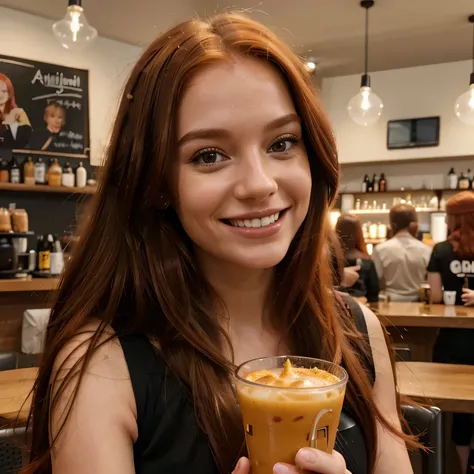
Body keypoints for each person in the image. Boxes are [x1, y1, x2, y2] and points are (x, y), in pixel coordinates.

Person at [24, 13, 416, 474]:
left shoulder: (356, 331)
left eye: (282, 142)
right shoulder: (104, 364)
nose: (259, 184)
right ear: (158, 183)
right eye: (209, 155)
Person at [427, 191, 474, 474]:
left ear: (455, 218)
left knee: (458, 412)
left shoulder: (441, 250)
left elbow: (434, 295)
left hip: (452, 341)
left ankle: (460, 465)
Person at [372, 204, 431, 302]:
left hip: (388, 303)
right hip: (418, 304)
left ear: (392, 225)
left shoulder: (380, 249)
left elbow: (376, 281)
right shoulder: (426, 250)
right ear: (415, 224)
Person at [335, 214, 379, 303]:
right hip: (360, 308)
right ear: (358, 233)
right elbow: (373, 293)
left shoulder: (326, 259)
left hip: (333, 308)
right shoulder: (366, 261)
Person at [0, 72, 31, 149]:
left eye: (4, 91)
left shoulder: (19, 113)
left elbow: (27, 141)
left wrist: (13, 124)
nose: (1, 95)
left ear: (9, 93)